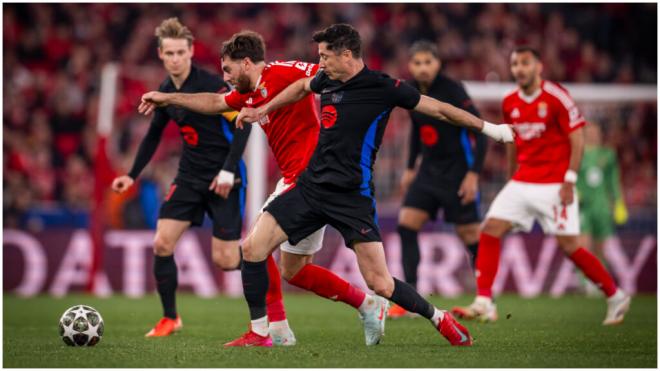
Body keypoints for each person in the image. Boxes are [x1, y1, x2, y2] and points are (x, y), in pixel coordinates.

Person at [234, 23, 515, 347]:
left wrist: (491, 129)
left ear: (348, 55)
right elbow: (301, 88)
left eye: (325, 56)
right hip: (311, 188)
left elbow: (438, 109)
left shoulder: (384, 86)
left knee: (380, 283)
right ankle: (260, 334)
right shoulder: (327, 78)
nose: (320, 63)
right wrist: (264, 108)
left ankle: (439, 317)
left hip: (353, 197)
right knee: (252, 249)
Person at [138, 31, 387, 347]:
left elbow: (331, 73)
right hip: (297, 180)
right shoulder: (247, 91)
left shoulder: (283, 71)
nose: (226, 78)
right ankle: (367, 304)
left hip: (311, 180)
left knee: (253, 247)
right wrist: (166, 98)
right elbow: (215, 102)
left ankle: (268, 331)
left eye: (228, 70)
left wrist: (372, 93)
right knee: (295, 271)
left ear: (245, 63)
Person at [111, 18, 296, 341]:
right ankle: (170, 318)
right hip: (190, 175)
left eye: (181, 52)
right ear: (160, 54)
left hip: (225, 176)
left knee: (226, 260)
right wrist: (131, 174)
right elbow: (153, 136)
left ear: (191, 51)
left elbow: (244, 123)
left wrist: (227, 169)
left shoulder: (213, 83)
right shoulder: (166, 92)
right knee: (161, 242)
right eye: (169, 53)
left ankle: (266, 278)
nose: (175, 59)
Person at [451, 47, 630, 325]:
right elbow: (512, 138)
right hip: (523, 180)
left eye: (525, 63)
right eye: (515, 64)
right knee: (490, 230)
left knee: (570, 246)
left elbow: (577, 138)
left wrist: (570, 180)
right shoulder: (510, 101)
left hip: (554, 183)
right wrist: (511, 177)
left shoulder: (556, 97)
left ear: (539, 66)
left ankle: (615, 295)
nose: (519, 69)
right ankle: (484, 301)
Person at [389, 40, 487, 319]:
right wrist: (410, 168)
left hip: (457, 173)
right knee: (407, 225)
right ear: (410, 65)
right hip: (428, 173)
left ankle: (486, 297)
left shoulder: (452, 90)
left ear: (438, 64)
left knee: (470, 236)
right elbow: (419, 132)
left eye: (427, 62)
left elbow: (478, 131)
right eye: (417, 63)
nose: (422, 68)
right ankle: (410, 300)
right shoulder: (409, 90)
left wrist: (473, 175)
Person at [577, 122, 628, 295]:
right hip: (583, 207)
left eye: (595, 132)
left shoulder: (608, 154)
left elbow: (613, 181)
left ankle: (599, 283)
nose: (592, 135)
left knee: (600, 249)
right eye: (589, 132)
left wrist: (619, 203)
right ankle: (585, 283)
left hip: (602, 207)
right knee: (583, 246)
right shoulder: (578, 153)